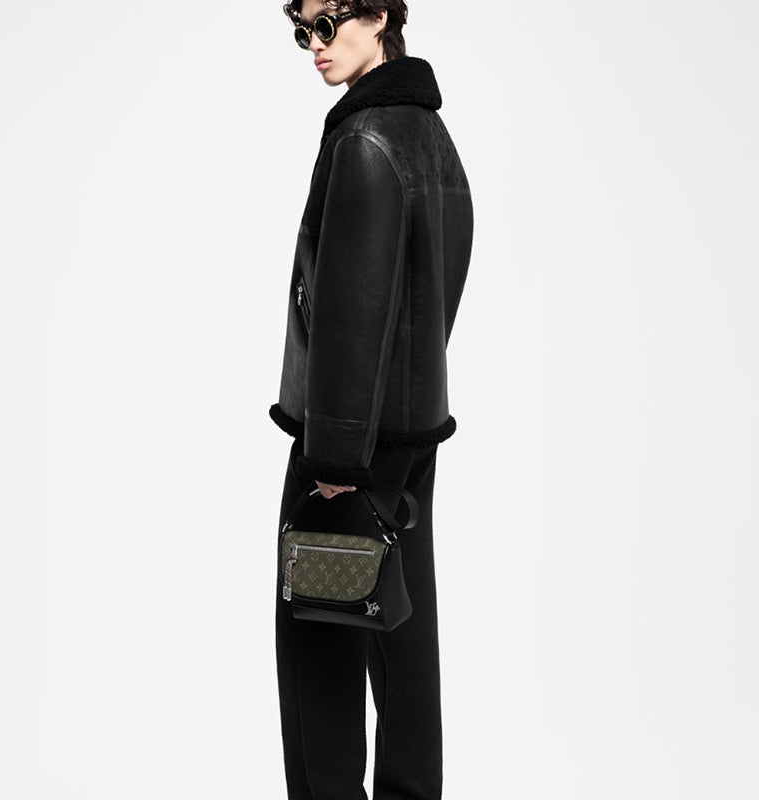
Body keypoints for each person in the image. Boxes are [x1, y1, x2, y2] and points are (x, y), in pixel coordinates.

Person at [268, 1, 473, 797]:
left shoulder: (363, 140)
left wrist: (334, 461)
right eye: (303, 29)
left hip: (346, 453)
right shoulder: (431, 137)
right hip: (409, 438)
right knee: (403, 645)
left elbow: (354, 310)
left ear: (380, 14)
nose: (314, 46)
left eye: (329, 24)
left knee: (318, 657)